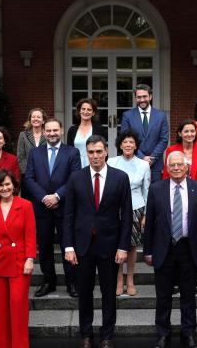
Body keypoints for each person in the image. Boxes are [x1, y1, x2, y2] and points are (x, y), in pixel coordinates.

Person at [64, 135, 133, 348]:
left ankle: (106, 336)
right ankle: (86, 334)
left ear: (106, 152)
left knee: (108, 293)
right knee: (84, 293)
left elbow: (127, 216)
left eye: (99, 151)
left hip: (110, 246)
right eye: (91, 152)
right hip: (82, 246)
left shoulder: (120, 178)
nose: (95, 156)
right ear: (87, 153)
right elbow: (69, 215)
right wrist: (68, 246)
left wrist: (123, 246)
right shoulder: (76, 178)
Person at [143, 151, 197, 348]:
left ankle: (188, 333)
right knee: (163, 296)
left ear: (187, 166)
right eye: (172, 165)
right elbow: (150, 225)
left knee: (188, 295)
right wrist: (147, 251)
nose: (176, 168)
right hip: (164, 249)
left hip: (189, 249)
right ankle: (163, 333)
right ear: (166, 167)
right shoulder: (156, 189)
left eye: (179, 164)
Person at [24, 118, 81, 297]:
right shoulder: (35, 153)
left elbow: (75, 178)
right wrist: (43, 197)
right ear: (44, 132)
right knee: (45, 246)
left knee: (68, 245)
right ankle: (49, 281)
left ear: (62, 131)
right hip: (41, 208)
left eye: (55, 130)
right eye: (48, 131)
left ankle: (71, 282)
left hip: (64, 206)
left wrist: (57, 196)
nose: (51, 133)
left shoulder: (72, 152)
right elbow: (29, 179)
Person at [0, 169, 36, 348]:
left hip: (19, 263)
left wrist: (30, 258)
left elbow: (30, 234)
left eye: (7, 184)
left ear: (14, 185)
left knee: (18, 308)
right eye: (0, 185)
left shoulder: (25, 205)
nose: (4, 188)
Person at [107, 130, 151, 296]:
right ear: (120, 144)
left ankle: (130, 279)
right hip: (114, 208)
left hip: (136, 207)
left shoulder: (143, 165)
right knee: (116, 244)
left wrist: (146, 214)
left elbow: (147, 191)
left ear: (136, 145)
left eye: (131, 142)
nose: (128, 145)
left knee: (131, 246)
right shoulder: (111, 162)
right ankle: (119, 280)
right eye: (125, 142)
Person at [120, 84, 169, 183]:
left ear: (150, 97)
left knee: (155, 194)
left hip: (155, 165)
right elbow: (125, 140)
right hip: (134, 162)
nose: (142, 100)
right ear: (135, 98)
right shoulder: (127, 116)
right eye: (139, 97)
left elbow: (164, 139)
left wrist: (152, 158)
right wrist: (142, 157)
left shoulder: (161, 116)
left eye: (144, 96)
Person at [162, 119, 197, 193]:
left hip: (196, 191)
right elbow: (166, 174)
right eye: (186, 131)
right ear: (180, 133)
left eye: (192, 131)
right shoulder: (171, 150)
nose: (190, 134)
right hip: (176, 191)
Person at [66, 98, 108, 167]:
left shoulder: (99, 129)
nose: (86, 112)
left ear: (93, 113)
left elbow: (104, 150)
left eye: (89, 109)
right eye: (83, 109)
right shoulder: (72, 130)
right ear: (79, 111)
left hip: (95, 166)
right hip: (76, 166)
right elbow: (69, 152)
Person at [17, 107, 48, 197]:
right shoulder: (23, 135)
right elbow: (20, 156)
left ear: (43, 120)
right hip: (27, 176)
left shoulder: (48, 134)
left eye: (38, 117)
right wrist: (28, 173)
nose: (35, 119)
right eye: (33, 117)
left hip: (45, 176)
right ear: (30, 120)